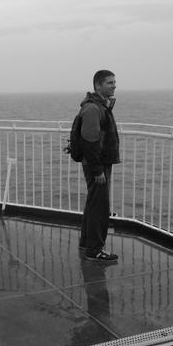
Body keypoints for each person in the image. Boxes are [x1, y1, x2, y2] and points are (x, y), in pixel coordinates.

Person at [78, 70, 120, 263]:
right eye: (110, 83)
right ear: (98, 85)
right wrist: (97, 170)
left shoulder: (100, 106)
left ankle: (86, 243)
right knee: (100, 208)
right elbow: (90, 140)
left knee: (94, 203)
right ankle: (95, 250)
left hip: (99, 163)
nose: (114, 86)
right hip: (97, 165)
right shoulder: (93, 109)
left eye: (114, 82)